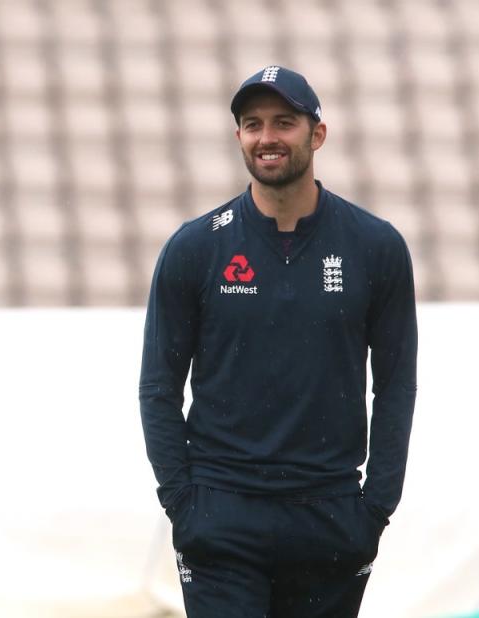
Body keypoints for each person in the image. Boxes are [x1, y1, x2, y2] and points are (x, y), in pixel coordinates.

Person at [139, 65, 417, 617]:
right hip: (221, 514)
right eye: (252, 124)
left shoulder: (375, 246)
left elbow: (396, 386)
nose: (267, 137)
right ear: (239, 136)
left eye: (283, 122)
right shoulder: (194, 248)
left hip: (330, 515)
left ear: (317, 134)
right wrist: (182, 503)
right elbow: (157, 388)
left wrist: (375, 508)